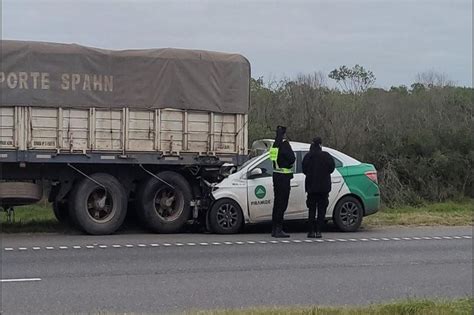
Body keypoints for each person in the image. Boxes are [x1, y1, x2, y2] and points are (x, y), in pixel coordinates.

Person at [302, 137, 335, 238]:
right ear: (320, 144)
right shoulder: (326, 156)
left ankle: (311, 231)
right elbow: (332, 168)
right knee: (321, 210)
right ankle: (319, 231)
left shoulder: (308, 156)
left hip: (311, 188)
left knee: (311, 209)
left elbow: (304, 169)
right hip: (323, 188)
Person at [269, 126, 295, 238]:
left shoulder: (274, 145)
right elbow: (292, 158)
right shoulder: (285, 145)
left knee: (276, 203)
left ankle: (274, 229)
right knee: (282, 203)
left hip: (276, 175)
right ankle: (279, 229)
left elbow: (272, 159)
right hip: (284, 177)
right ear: (284, 134)